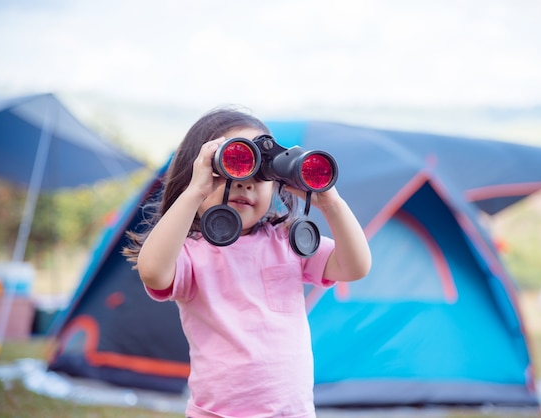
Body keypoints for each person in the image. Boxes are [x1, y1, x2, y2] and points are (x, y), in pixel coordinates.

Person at [123, 106, 371, 418]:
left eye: (261, 174)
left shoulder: (287, 243)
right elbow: (153, 273)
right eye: (228, 170)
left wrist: (330, 201)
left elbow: (355, 266)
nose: (245, 183)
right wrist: (194, 192)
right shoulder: (191, 253)